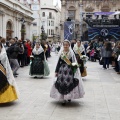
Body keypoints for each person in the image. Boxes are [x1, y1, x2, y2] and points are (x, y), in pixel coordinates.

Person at [50, 40, 85, 105]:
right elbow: (58, 63)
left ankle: (68, 97)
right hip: (61, 71)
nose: (65, 46)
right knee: (61, 84)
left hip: (69, 71)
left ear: (69, 45)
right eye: (64, 45)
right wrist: (56, 71)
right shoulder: (61, 53)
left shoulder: (71, 53)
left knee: (68, 84)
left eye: (67, 45)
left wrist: (75, 70)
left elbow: (74, 62)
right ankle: (63, 99)